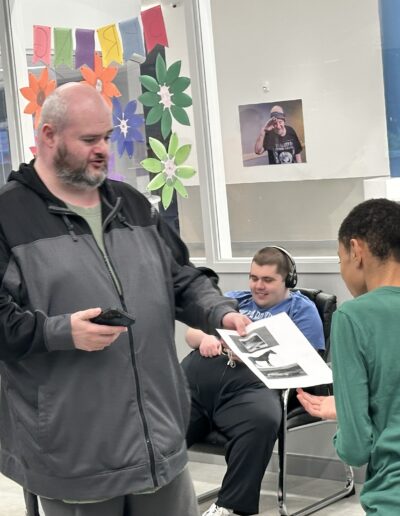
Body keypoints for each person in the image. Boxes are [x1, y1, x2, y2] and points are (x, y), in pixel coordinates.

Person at [0, 82, 250, 516]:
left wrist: (220, 312)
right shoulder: (8, 216)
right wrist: (61, 332)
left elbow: (180, 277)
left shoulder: (132, 205)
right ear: (48, 135)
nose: (103, 150)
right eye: (89, 139)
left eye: (107, 137)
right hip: (75, 455)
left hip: (159, 445)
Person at [181, 246, 325, 516]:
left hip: (250, 389)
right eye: (254, 278)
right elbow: (191, 333)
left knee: (263, 419)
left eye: (267, 280)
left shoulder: (301, 310)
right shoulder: (233, 300)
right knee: (160, 421)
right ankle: (149, 496)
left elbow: (309, 361)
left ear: (288, 280)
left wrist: (253, 353)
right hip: (196, 385)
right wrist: (207, 337)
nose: (258, 286)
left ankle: (229, 505)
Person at [297, 198, 400, 515]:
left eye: (340, 259)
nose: (342, 270)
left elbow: (355, 449)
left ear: (356, 251)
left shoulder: (353, 318)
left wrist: (345, 416)